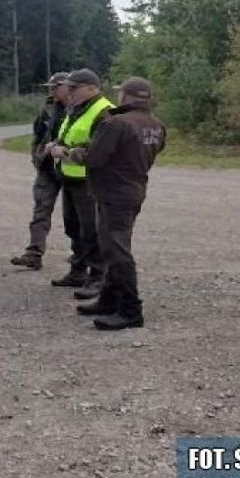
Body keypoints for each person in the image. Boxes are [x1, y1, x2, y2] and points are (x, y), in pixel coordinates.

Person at [58, 77, 165, 330]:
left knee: (116, 251)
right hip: (135, 188)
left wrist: (64, 152)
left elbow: (94, 158)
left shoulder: (116, 123)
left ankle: (130, 310)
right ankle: (108, 299)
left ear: (126, 96)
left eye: (120, 93)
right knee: (112, 246)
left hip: (113, 193)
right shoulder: (156, 125)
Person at [45, 69, 114, 295]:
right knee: (73, 227)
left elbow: (100, 149)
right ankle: (78, 271)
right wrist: (55, 144)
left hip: (90, 181)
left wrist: (62, 152)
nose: (69, 91)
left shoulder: (104, 111)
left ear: (92, 88)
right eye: (69, 87)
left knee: (91, 230)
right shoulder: (76, 109)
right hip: (71, 178)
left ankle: (97, 277)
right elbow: (70, 136)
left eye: (75, 88)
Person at [9, 72, 70, 270]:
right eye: (51, 87)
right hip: (47, 167)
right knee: (40, 211)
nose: (52, 90)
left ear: (68, 86)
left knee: (75, 217)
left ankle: (81, 256)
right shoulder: (48, 108)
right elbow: (38, 134)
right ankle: (34, 253)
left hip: (71, 167)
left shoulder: (80, 109)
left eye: (56, 86)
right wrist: (36, 155)